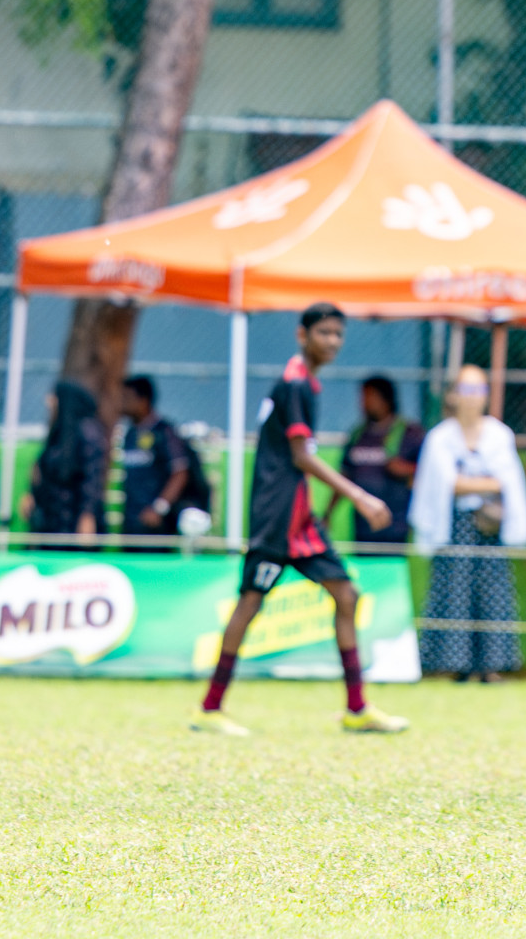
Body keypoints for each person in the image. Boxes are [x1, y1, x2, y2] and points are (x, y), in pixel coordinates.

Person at [192, 303, 408, 736]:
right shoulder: (295, 384)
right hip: (277, 517)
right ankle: (210, 709)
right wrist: (359, 496)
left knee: (346, 595)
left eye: (338, 334)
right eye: (324, 333)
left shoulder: (306, 382)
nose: (333, 342)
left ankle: (357, 707)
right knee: (250, 603)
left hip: (300, 520)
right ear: (301, 335)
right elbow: (301, 457)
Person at [410, 366, 526, 682]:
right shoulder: (440, 438)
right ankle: (455, 665)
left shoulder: (498, 435)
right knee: (454, 590)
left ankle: (492, 666)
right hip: (454, 526)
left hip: (490, 528)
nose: (472, 398)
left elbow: (507, 481)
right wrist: (485, 483)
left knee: (493, 592)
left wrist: (473, 483)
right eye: (466, 390)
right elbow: (444, 484)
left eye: (478, 390)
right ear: (453, 395)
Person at [326, 376, 425, 547]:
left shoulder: (410, 433)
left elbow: (429, 471)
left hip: (396, 527)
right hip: (362, 527)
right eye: (362, 397)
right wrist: (328, 513)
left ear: (386, 398)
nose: (363, 403)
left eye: (369, 397)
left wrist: (407, 469)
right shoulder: (357, 435)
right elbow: (345, 476)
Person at [22, 379, 108, 544]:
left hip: (74, 517)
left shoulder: (87, 431)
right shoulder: (58, 433)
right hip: (54, 516)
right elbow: (43, 468)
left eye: (54, 397)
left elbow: (92, 476)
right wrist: (32, 494)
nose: (49, 402)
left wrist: (87, 515)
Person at [119, 376, 194, 542]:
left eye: (126, 398)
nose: (122, 403)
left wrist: (159, 508)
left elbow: (180, 472)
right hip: (131, 521)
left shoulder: (164, 432)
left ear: (143, 400)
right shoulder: (130, 434)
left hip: (155, 525)